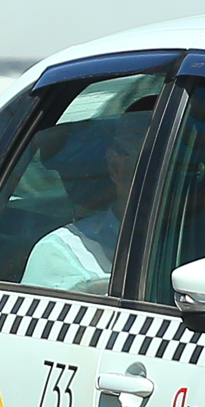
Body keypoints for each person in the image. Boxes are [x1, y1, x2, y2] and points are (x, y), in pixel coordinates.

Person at [23, 110, 151, 291]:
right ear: (116, 166)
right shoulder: (64, 257)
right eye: (178, 164)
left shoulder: (203, 242)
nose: (201, 174)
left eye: (203, 157)